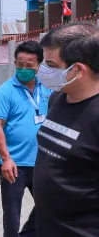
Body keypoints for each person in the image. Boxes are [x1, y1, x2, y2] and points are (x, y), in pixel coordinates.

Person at [34, 22, 99, 237]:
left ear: (78, 69)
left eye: (51, 65)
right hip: (44, 224)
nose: (42, 70)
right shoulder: (58, 98)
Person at [0, 40, 52, 237]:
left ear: (39, 65)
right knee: (11, 217)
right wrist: (6, 158)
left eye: (29, 65)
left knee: (49, 208)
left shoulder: (48, 90)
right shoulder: (5, 92)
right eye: (20, 64)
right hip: (14, 166)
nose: (24, 69)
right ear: (14, 63)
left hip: (44, 162)